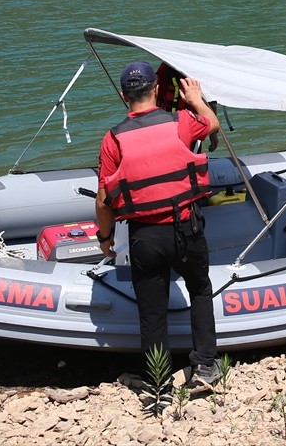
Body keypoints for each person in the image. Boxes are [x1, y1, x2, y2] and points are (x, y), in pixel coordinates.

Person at [95, 60, 223, 393]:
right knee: (199, 290)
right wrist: (195, 99)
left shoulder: (113, 140)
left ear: (124, 96)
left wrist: (105, 238)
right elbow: (212, 125)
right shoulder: (181, 122)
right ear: (156, 89)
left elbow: (102, 200)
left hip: (145, 237)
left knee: (152, 311)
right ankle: (206, 368)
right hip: (185, 229)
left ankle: (158, 381)